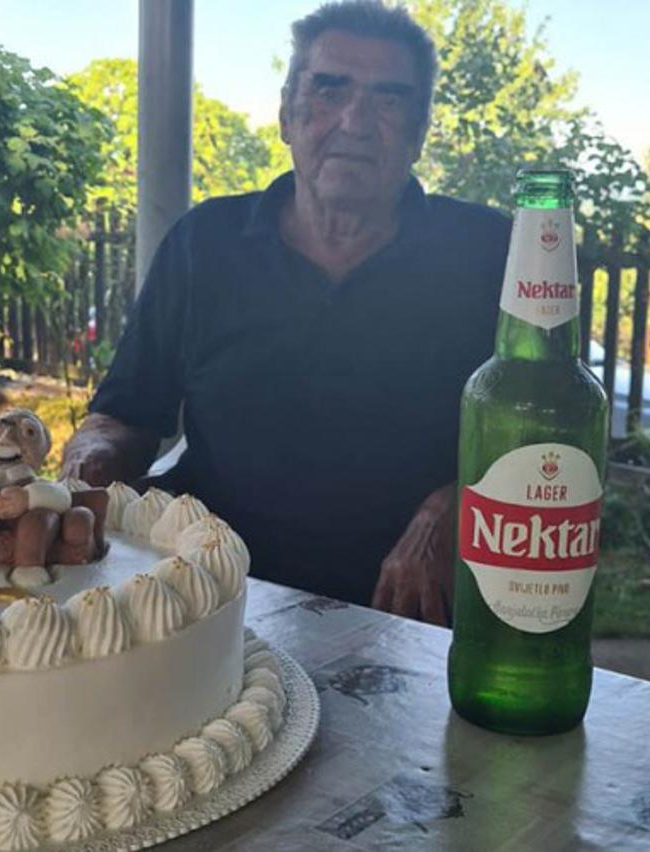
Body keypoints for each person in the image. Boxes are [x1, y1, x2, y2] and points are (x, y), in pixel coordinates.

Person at [60, 0, 511, 625]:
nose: (354, 122)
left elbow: (558, 434)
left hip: (407, 612)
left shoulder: (491, 252)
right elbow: (129, 414)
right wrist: (86, 462)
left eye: (388, 100)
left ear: (419, 132)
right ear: (285, 114)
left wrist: (462, 503)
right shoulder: (204, 242)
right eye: (329, 89)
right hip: (214, 596)